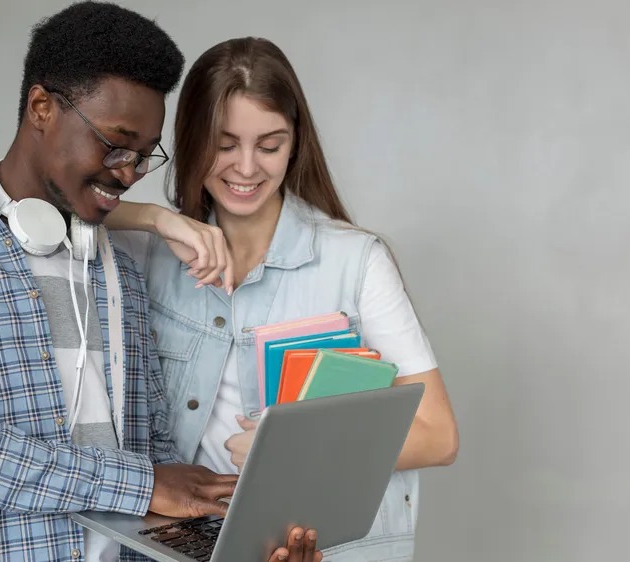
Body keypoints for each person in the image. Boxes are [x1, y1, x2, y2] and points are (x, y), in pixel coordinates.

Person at [0, 4, 321, 562]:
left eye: (145, 157)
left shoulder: (117, 267)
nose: (127, 174)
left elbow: (158, 457)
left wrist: (234, 546)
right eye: (115, 144)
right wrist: (139, 483)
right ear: (42, 107)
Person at [107, 37, 460, 561]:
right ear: (191, 140)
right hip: (196, 545)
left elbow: (438, 435)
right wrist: (156, 217)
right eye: (224, 144)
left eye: (269, 145)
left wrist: (291, 455)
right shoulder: (150, 254)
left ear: (295, 144)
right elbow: (45, 206)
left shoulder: (356, 261)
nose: (246, 168)